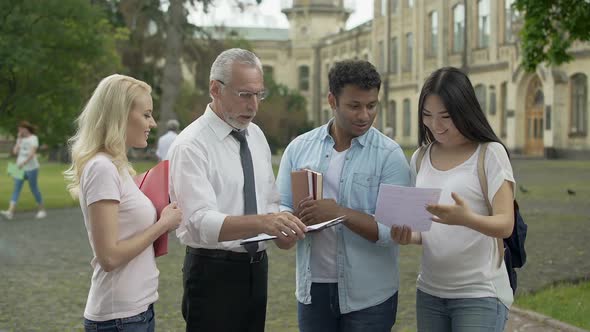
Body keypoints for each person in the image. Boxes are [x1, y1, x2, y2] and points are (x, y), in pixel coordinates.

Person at [167, 48, 307, 332]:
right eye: (244, 94)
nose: (254, 105)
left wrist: (283, 229)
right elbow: (199, 222)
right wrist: (264, 222)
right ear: (215, 89)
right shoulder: (190, 145)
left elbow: (268, 201)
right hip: (212, 272)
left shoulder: (255, 135)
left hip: (257, 268)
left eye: (259, 94)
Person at [276, 60, 411, 332]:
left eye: (371, 105)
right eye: (354, 106)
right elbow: (282, 208)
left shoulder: (391, 156)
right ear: (332, 101)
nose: (364, 115)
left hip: (370, 296)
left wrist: (339, 213)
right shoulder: (298, 149)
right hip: (312, 292)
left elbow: (392, 232)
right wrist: (287, 228)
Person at [391, 67, 515, 332]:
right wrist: (407, 235)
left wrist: (467, 219)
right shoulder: (420, 158)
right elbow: (424, 229)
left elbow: (506, 225)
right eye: (427, 115)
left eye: (445, 116)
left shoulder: (490, 154)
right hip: (430, 292)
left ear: (464, 111)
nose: (436, 125)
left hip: (479, 293)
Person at [63, 74, 182, 332]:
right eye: (146, 114)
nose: (153, 122)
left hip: (137, 311)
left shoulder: (117, 167)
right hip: (119, 319)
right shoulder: (102, 169)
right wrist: (162, 225)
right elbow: (109, 256)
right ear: (120, 115)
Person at [0, 121, 46, 220]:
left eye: (21, 129)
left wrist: (23, 163)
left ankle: (42, 210)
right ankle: (10, 212)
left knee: (34, 188)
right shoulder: (20, 139)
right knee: (16, 189)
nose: (19, 131)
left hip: (31, 168)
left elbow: (32, 153)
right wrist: (19, 139)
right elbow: (15, 152)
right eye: (19, 129)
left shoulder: (33, 138)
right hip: (19, 168)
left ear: (26, 129)